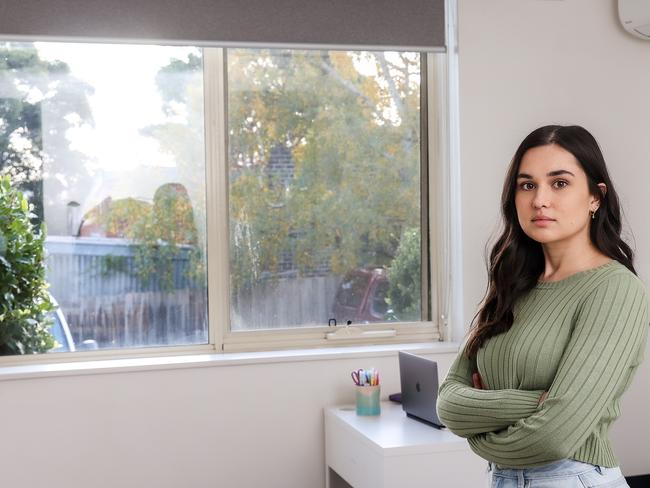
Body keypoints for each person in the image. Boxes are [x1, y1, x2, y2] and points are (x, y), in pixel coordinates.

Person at [436, 125, 648, 488]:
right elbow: (449, 404)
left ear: (596, 197)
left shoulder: (615, 289)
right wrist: (538, 402)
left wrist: (482, 429)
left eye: (560, 183)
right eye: (527, 185)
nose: (539, 200)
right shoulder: (513, 283)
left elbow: (555, 436)